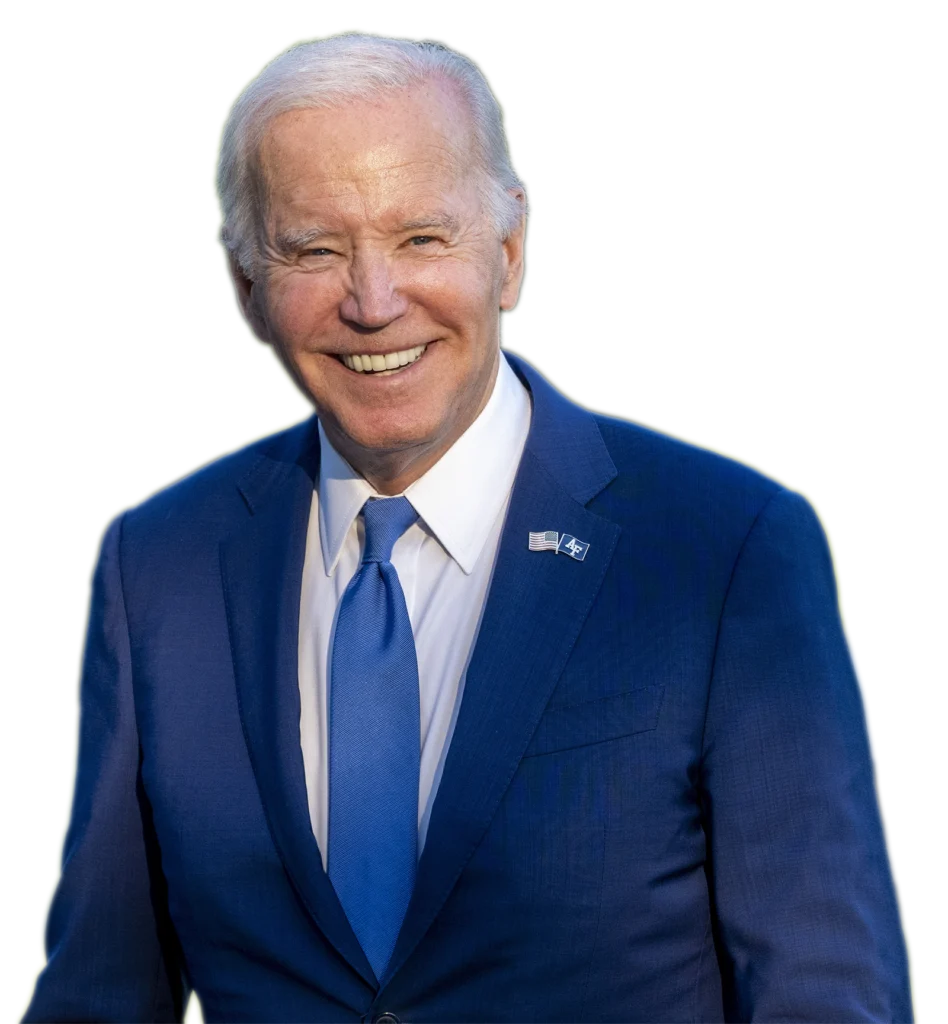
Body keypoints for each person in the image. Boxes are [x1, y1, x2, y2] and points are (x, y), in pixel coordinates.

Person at [24, 31, 913, 1023]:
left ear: (507, 252)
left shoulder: (723, 547)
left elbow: (825, 995)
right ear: (247, 288)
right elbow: (99, 995)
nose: (373, 300)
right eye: (316, 248)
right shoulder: (161, 566)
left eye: (421, 238)